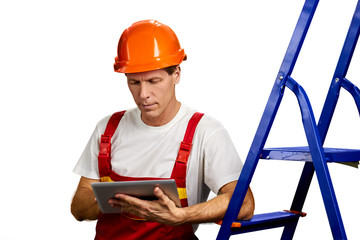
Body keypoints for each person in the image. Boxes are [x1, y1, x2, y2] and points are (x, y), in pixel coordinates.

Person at [71, 19, 255, 240]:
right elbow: (79, 209)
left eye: (153, 81)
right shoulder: (108, 129)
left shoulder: (205, 132)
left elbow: (243, 203)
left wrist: (181, 216)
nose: (144, 94)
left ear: (176, 74)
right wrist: (118, 201)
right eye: (134, 83)